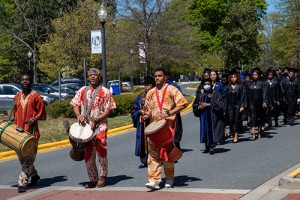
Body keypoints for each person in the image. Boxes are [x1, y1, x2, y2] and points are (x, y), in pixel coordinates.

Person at [143, 67, 188, 190]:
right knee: (152, 154)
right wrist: (146, 114)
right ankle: (154, 180)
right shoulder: (150, 92)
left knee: (166, 153)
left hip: (168, 127)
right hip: (154, 127)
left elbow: (183, 103)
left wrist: (169, 113)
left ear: (165, 77)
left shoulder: (172, 89)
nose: (157, 78)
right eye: (155, 76)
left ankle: (169, 178)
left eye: (160, 75)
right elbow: (147, 110)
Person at [70, 68, 116, 188]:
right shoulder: (82, 90)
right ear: (88, 77)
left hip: (100, 126)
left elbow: (108, 110)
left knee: (101, 151)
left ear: (99, 76)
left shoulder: (105, 92)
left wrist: (97, 119)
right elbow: (75, 104)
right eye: (90, 75)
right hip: (86, 128)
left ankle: (102, 176)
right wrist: (78, 114)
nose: (92, 77)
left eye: (95, 75)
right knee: (88, 153)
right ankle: (93, 178)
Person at [10, 71, 46, 193]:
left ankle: (22, 182)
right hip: (18, 133)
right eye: (23, 80)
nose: (25, 81)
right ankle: (34, 175)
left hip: (31, 133)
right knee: (22, 158)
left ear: (31, 82)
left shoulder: (36, 96)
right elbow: (14, 112)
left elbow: (42, 112)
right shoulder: (17, 96)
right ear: (20, 82)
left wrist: (34, 118)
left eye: (27, 80)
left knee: (28, 159)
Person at [131, 76, 155, 168]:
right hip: (143, 122)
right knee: (142, 141)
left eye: (149, 85)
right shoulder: (140, 97)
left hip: (153, 121)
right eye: (145, 85)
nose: (146, 87)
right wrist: (139, 112)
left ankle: (155, 159)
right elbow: (134, 109)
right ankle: (144, 160)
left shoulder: (156, 96)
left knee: (154, 140)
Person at [193, 78, 215, 154]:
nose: (207, 85)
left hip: (212, 114)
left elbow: (219, 103)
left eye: (208, 84)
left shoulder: (214, 92)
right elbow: (195, 104)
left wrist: (208, 104)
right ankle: (206, 146)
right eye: (205, 84)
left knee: (211, 129)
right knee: (204, 129)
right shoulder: (200, 93)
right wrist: (198, 107)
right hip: (203, 114)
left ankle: (211, 146)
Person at [225, 71, 246, 143]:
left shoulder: (240, 87)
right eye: (232, 77)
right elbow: (226, 98)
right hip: (230, 106)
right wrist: (225, 108)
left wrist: (242, 106)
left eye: (234, 77)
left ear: (237, 78)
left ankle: (236, 135)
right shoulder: (227, 87)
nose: (233, 79)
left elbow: (242, 97)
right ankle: (233, 133)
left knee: (236, 120)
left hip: (237, 105)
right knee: (231, 120)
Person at [247, 68, 267, 140]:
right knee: (252, 117)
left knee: (259, 118)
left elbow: (264, 93)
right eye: (253, 75)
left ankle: (258, 132)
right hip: (252, 103)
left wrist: (264, 101)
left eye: (256, 75)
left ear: (258, 75)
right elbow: (248, 95)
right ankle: (253, 133)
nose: (254, 76)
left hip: (260, 103)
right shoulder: (249, 84)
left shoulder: (262, 83)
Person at [210, 70, 226, 146]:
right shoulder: (207, 84)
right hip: (209, 107)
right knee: (211, 123)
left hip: (217, 107)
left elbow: (223, 95)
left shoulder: (220, 84)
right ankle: (212, 138)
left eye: (214, 74)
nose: (212, 76)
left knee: (219, 123)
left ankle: (219, 138)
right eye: (211, 75)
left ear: (216, 76)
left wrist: (221, 104)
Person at [166, 79, 183, 150]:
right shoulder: (157, 87)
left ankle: (176, 145)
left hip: (173, 112)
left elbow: (180, 99)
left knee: (176, 128)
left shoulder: (174, 86)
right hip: (162, 113)